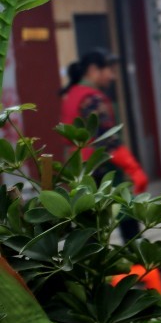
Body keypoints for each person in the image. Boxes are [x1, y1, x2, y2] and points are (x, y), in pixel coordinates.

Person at [60, 48, 147, 240]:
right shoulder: (92, 99)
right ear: (94, 69)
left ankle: (93, 267)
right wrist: (134, 169)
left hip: (78, 170)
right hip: (100, 169)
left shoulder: (71, 94)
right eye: (109, 70)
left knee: (89, 226)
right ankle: (140, 262)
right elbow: (108, 141)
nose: (113, 76)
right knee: (125, 214)